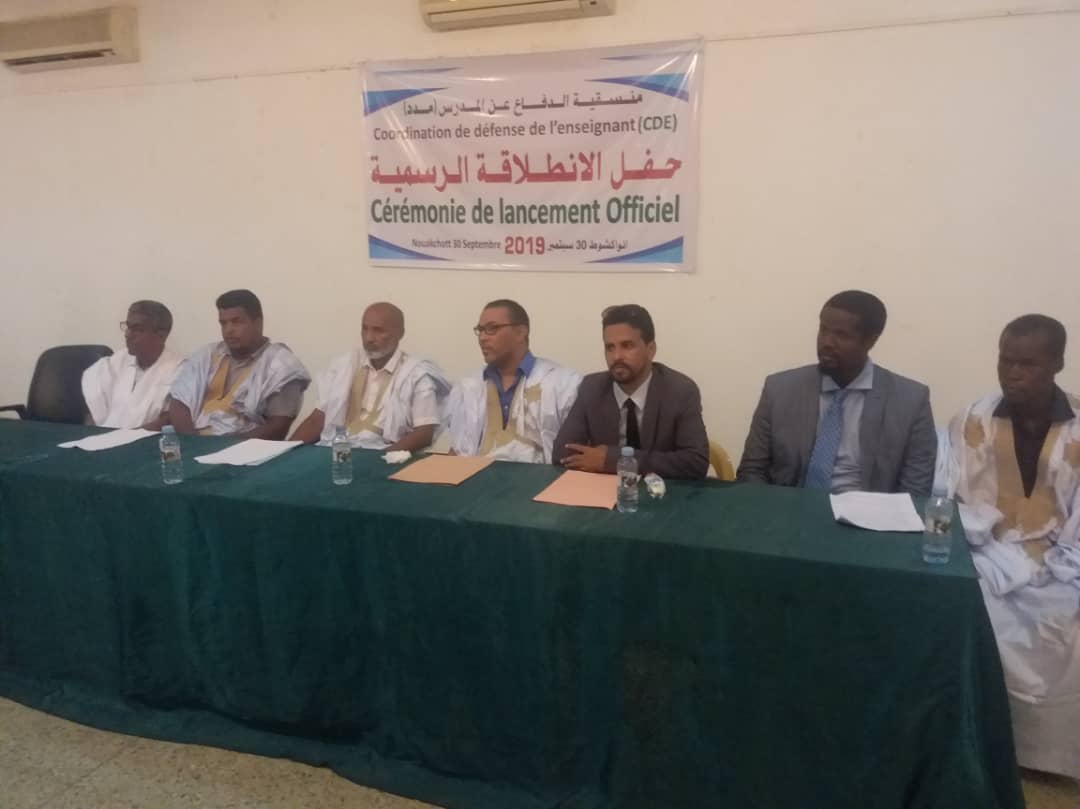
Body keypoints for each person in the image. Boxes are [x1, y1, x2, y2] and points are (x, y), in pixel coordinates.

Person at [941, 314, 1080, 779]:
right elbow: (948, 495)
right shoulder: (972, 419)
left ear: (1057, 364)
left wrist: (1058, 565)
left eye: (1028, 364)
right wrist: (985, 541)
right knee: (961, 602)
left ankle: (1049, 758)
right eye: (1006, 360)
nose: (1013, 373)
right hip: (986, 553)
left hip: (1065, 562)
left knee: (1070, 621)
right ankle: (972, 740)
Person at [737, 290, 936, 495]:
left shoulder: (911, 401)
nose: (827, 343)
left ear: (870, 341)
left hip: (868, 511)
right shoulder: (780, 389)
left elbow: (916, 489)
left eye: (841, 335)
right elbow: (752, 471)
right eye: (823, 330)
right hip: (790, 507)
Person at [553, 304, 708, 479]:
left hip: (662, 491)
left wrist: (614, 460)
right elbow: (562, 454)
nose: (616, 356)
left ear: (650, 350)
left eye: (627, 346)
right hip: (604, 491)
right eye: (610, 347)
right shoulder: (592, 388)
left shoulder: (680, 391)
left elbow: (696, 463)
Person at [290, 302, 450, 451]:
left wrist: (380, 459)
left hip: (385, 455)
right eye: (365, 329)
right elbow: (317, 420)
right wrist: (285, 451)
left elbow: (424, 433)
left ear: (400, 333)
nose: (369, 338)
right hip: (337, 452)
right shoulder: (344, 366)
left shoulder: (416, 374)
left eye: (378, 330)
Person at [445, 299, 581, 463]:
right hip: (476, 476)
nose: (482, 338)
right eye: (480, 330)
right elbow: (457, 450)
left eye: (492, 329)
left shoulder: (563, 383)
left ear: (521, 332)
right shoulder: (468, 387)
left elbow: (574, 453)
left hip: (542, 478)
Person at [168, 289, 310, 439]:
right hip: (194, 441)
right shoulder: (207, 355)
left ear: (258, 323)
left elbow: (278, 427)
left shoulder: (282, 366)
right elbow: (179, 403)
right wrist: (192, 441)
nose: (229, 330)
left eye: (237, 322)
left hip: (245, 447)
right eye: (223, 323)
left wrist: (228, 447)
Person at [81, 300, 181, 429]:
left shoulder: (179, 369)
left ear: (161, 335)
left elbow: (168, 419)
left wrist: (128, 436)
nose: (127, 334)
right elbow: (93, 405)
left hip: (145, 438)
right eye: (128, 326)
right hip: (104, 435)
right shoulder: (116, 361)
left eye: (137, 329)